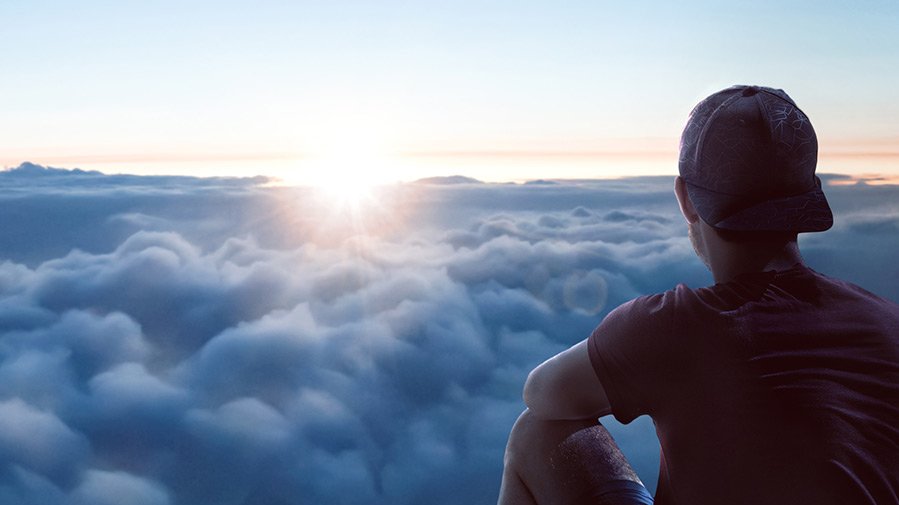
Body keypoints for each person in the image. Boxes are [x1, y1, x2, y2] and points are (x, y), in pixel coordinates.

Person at [497, 85, 899, 505]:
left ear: (686, 199)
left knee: (537, 433)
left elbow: (541, 393)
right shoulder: (889, 324)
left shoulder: (674, 326)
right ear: (810, 195)